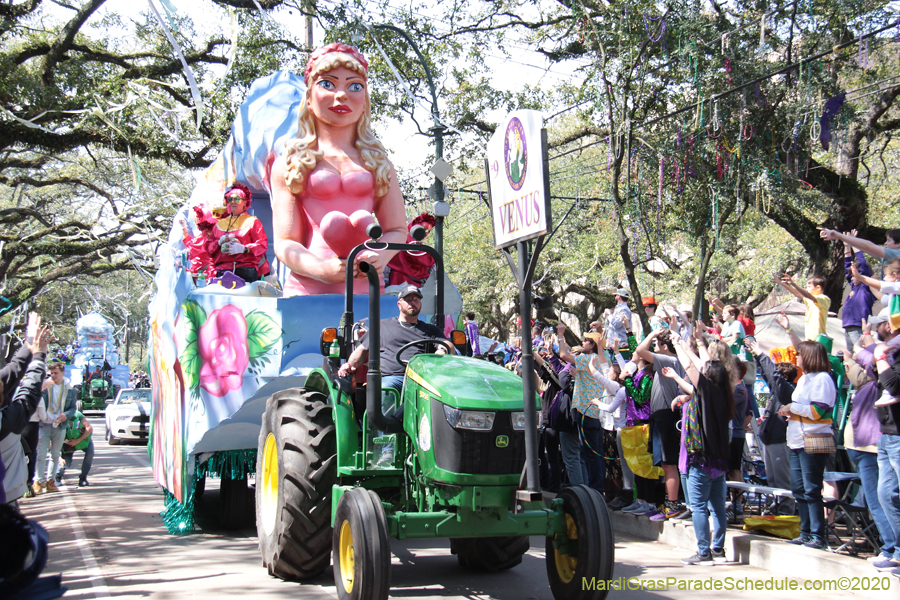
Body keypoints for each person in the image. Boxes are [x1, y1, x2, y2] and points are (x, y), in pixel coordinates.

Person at [271, 43, 407, 296]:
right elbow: (285, 241)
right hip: (307, 291)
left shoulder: (379, 163)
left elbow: (398, 229)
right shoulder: (289, 164)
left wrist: (381, 255)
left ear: (364, 101)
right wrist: (319, 268)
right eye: (328, 84)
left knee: (369, 336)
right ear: (309, 98)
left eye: (354, 86)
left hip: (365, 289)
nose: (342, 95)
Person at [337, 284, 451, 462]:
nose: (413, 302)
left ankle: (431, 450)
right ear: (399, 304)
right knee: (386, 390)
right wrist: (350, 365)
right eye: (408, 299)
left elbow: (446, 345)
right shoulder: (382, 327)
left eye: (416, 299)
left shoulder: (430, 331)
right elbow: (362, 351)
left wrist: (441, 352)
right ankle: (386, 449)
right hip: (392, 377)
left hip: (419, 378)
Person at [671, 337, 734, 566]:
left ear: (708, 378)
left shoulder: (706, 393)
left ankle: (703, 552)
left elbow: (690, 366)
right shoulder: (725, 395)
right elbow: (705, 365)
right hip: (720, 462)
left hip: (702, 460)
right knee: (717, 507)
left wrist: (678, 342)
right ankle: (718, 550)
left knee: (699, 508)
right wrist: (696, 344)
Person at [777, 340, 836, 550]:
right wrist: (790, 411)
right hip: (796, 440)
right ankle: (805, 531)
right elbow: (804, 409)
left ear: (810, 356)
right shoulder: (804, 379)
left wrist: (793, 407)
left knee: (812, 489)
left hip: (813, 439)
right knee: (798, 489)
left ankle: (817, 534)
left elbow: (817, 411)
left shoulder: (822, 379)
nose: (796, 357)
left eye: (800, 354)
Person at [633, 328, 686, 520]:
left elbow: (640, 350)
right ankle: (667, 502)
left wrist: (651, 334)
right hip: (661, 416)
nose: (654, 347)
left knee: (669, 463)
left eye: (656, 344)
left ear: (664, 346)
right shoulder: (671, 361)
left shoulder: (668, 360)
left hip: (666, 416)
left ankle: (672, 504)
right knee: (665, 464)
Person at [745, 338, 796, 514]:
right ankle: (777, 508)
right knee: (773, 481)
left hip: (781, 441)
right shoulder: (777, 393)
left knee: (783, 481)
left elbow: (774, 377)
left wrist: (761, 353)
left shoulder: (787, 390)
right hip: (770, 440)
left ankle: (786, 512)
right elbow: (769, 376)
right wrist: (756, 357)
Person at [557, 325, 606, 494]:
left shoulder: (588, 360)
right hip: (596, 413)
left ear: (592, 345)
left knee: (589, 455)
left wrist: (560, 335)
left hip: (586, 413)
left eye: (586, 340)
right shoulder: (603, 357)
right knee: (596, 453)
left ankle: (595, 491)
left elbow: (563, 355)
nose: (582, 342)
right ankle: (598, 489)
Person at [871, 335, 900, 577]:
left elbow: (893, 385)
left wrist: (881, 356)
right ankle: (897, 551)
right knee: (885, 495)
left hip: (898, 437)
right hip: (887, 435)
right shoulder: (892, 356)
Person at [206, 183, 268, 283]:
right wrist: (218, 242)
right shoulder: (219, 224)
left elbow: (262, 245)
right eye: (230, 199)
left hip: (245, 272)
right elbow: (208, 250)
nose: (233, 202)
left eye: (237, 199)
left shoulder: (253, 222)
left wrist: (245, 249)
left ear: (245, 202)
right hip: (222, 272)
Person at [33, 360, 77, 494]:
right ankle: (38, 481)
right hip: (44, 424)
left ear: (63, 373)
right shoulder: (46, 386)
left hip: (60, 425)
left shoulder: (70, 389)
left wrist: (66, 415)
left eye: (55, 373)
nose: (53, 375)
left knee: (55, 454)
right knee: (40, 455)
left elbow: (73, 408)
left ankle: (50, 481)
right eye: (51, 373)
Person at [841, 230, 876, 349]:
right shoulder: (853, 287)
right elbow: (847, 266)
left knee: (859, 351)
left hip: (858, 326)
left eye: (854, 274)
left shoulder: (866, 287)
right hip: (848, 326)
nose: (851, 277)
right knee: (851, 354)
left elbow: (862, 263)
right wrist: (847, 246)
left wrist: (854, 242)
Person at [819, 227, 900, 278]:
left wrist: (839, 236)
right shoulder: (887, 258)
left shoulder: (896, 255)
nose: (885, 243)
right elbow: (866, 249)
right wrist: (850, 240)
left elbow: (869, 246)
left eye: (889, 241)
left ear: (898, 244)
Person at [385, 213, 437, 287]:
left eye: (428, 231)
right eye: (424, 229)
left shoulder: (420, 246)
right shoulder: (407, 240)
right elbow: (419, 257)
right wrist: (433, 258)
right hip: (400, 279)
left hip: (416, 282)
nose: (426, 233)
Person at [777, 274, 830, 341]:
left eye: (809, 287)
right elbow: (797, 293)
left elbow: (807, 295)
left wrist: (794, 284)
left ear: (818, 288)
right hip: (809, 338)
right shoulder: (810, 300)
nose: (806, 289)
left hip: (819, 338)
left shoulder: (824, 299)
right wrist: (781, 283)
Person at [58, 410, 94, 487]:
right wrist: (59, 457)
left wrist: (78, 440)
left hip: (81, 440)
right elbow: (51, 441)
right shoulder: (57, 416)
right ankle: (57, 477)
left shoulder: (77, 414)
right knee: (65, 463)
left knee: (90, 451)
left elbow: (89, 428)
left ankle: (83, 478)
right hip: (67, 444)